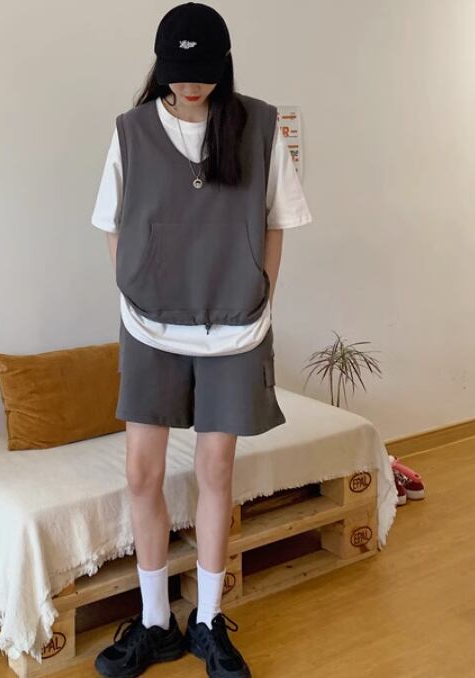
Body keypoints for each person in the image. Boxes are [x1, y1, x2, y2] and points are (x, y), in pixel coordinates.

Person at [89, 3, 312, 677]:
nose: (190, 85)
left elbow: (275, 223)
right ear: (161, 66)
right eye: (178, 72)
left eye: (203, 71)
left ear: (225, 65)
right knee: (141, 472)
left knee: (216, 471)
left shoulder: (258, 126)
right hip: (149, 323)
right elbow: (113, 225)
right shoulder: (131, 131)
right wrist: (137, 286)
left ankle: (209, 619)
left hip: (236, 324)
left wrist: (260, 294)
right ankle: (156, 621)